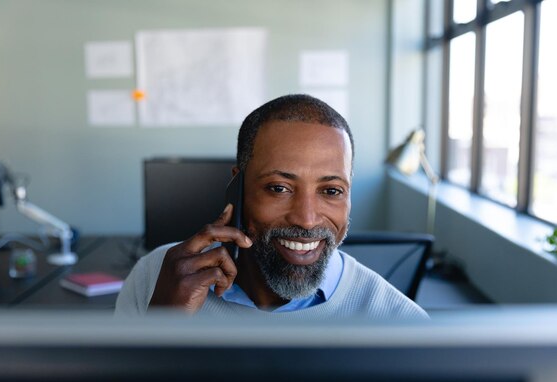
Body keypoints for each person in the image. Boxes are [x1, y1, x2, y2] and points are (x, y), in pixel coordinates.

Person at [116, 94, 427, 319]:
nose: (306, 219)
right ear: (236, 188)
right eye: (279, 188)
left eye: (331, 190)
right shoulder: (158, 275)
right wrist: (160, 330)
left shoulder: (401, 322)